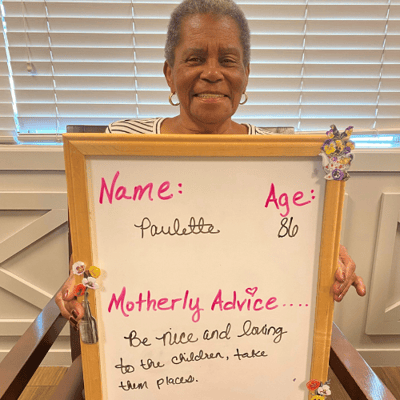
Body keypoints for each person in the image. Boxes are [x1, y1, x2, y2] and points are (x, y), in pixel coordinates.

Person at [56, 0, 366, 331]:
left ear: (245, 76)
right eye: (195, 59)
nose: (213, 73)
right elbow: (96, 249)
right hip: (149, 338)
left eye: (229, 61)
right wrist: (78, 277)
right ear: (170, 75)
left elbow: (296, 243)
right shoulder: (120, 144)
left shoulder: (284, 159)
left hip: (252, 337)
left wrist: (328, 252)